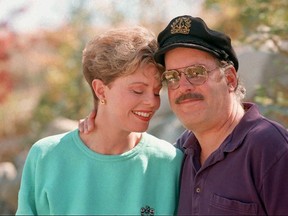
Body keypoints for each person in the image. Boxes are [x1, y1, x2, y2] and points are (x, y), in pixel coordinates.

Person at [79, 15, 288, 215]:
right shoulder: (181, 154)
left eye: (196, 73)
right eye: (172, 77)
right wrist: (102, 123)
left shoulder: (270, 148)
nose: (183, 87)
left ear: (230, 79)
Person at [16, 26, 183, 215]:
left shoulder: (169, 162)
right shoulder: (46, 156)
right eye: (137, 90)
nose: (152, 102)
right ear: (101, 90)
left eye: (156, 91)